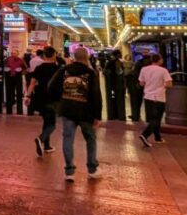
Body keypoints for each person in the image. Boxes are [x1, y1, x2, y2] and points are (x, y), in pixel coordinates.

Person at [47, 46, 103, 182]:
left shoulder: (64, 70)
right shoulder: (91, 73)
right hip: (86, 112)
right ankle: (92, 169)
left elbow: (51, 86)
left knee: (68, 139)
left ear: (74, 57)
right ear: (87, 57)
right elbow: (96, 95)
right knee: (90, 139)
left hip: (67, 110)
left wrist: (60, 100)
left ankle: (69, 171)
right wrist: (98, 116)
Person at [25, 45, 61, 157]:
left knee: (46, 120)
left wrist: (28, 96)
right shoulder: (58, 69)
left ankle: (47, 145)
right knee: (52, 124)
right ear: (54, 55)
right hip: (53, 99)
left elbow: (32, 83)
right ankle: (40, 139)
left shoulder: (39, 68)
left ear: (44, 56)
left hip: (40, 98)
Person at [137, 53, 172, 147]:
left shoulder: (144, 69)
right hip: (159, 97)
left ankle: (158, 137)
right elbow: (169, 84)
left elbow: (141, 83)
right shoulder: (163, 70)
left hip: (148, 97)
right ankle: (145, 135)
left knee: (153, 118)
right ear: (159, 60)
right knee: (156, 119)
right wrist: (162, 86)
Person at [103, 50, 127, 120]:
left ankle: (112, 115)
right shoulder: (118, 62)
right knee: (119, 100)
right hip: (118, 85)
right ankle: (120, 115)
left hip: (111, 86)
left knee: (112, 99)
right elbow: (119, 73)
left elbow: (106, 72)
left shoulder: (109, 63)